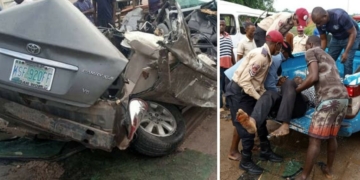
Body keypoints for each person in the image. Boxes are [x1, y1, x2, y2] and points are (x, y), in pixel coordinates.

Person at [226, 30, 285, 175]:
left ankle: (265, 150)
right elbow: (245, 82)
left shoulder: (266, 55)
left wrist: (263, 95)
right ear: (276, 44)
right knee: (246, 130)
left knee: (261, 121)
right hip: (239, 93)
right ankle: (245, 161)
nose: (280, 49)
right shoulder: (261, 57)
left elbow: (256, 81)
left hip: (248, 91)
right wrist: (260, 98)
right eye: (280, 46)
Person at [292, 36, 349, 180]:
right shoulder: (328, 55)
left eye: (306, 46)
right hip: (343, 97)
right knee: (332, 136)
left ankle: (304, 176)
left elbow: (313, 77)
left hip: (329, 100)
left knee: (315, 140)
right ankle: (328, 169)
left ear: (310, 44)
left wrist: (296, 90)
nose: (306, 49)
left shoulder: (311, 51)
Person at [228, 22, 257, 161]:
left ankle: (248, 146)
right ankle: (233, 151)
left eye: (254, 31)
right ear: (246, 30)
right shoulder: (242, 43)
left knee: (244, 120)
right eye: (251, 31)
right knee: (240, 123)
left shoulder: (255, 42)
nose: (253, 33)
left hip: (246, 85)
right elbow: (239, 63)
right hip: (240, 83)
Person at [311, 7, 360, 76]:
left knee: (347, 62)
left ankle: (347, 83)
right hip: (336, 37)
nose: (318, 25)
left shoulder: (340, 16)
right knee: (329, 59)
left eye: (319, 23)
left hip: (352, 36)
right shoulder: (319, 22)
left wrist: (346, 52)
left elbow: (353, 33)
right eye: (316, 23)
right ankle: (329, 79)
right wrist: (320, 53)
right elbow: (323, 39)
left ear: (325, 16)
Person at [220, 18, 235, 111]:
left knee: (229, 87)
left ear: (225, 26)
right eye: (220, 25)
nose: (221, 26)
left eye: (223, 25)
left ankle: (229, 104)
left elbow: (231, 51)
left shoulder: (229, 36)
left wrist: (235, 64)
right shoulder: (215, 37)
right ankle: (220, 106)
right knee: (220, 87)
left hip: (229, 66)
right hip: (220, 67)